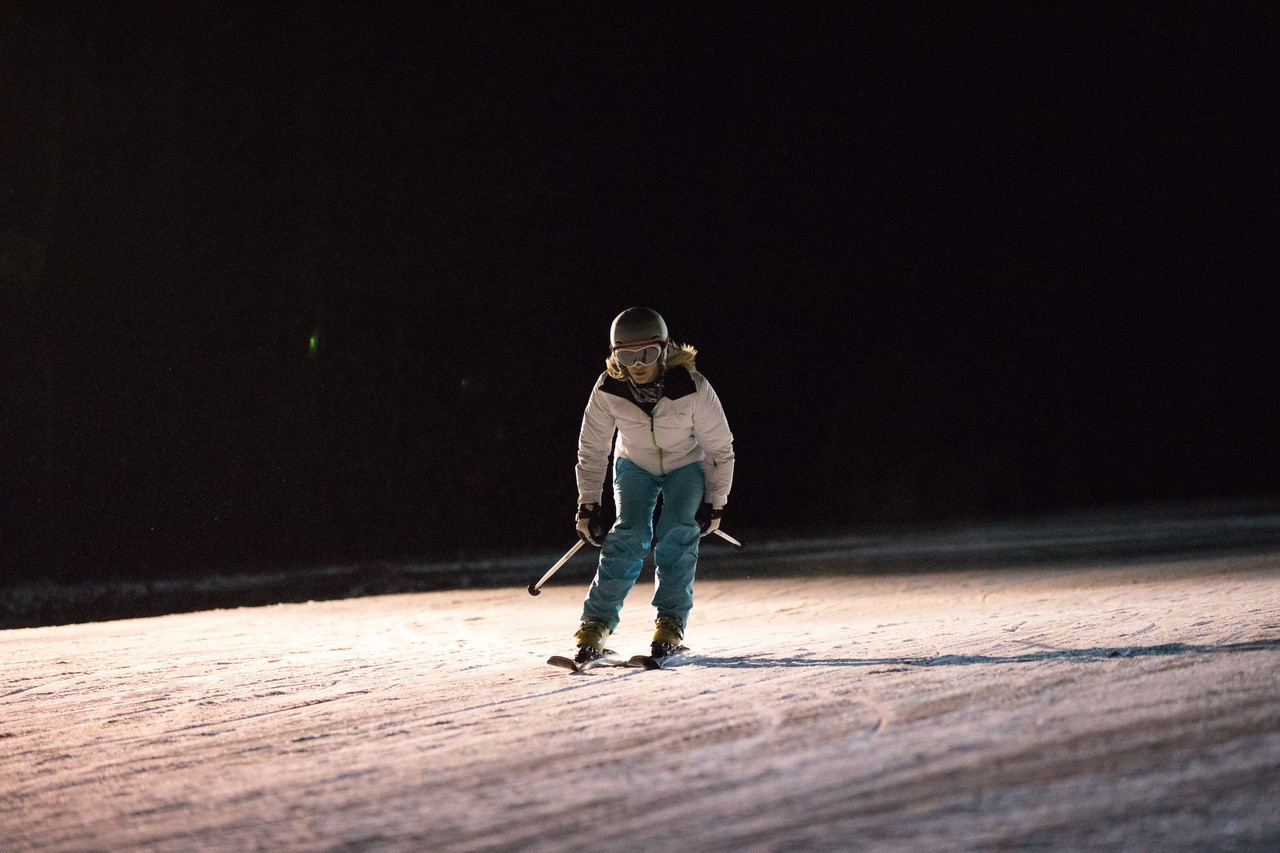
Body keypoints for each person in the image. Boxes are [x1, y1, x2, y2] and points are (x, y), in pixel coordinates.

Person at [570, 307, 735, 663]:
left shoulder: (693, 387)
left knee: (678, 529)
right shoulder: (608, 388)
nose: (638, 365)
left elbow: (720, 448)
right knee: (629, 534)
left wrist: (716, 501)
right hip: (634, 464)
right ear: (615, 355)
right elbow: (593, 448)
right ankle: (596, 623)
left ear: (664, 348)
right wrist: (588, 503)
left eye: (647, 353)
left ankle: (670, 622)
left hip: (685, 464)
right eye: (627, 356)